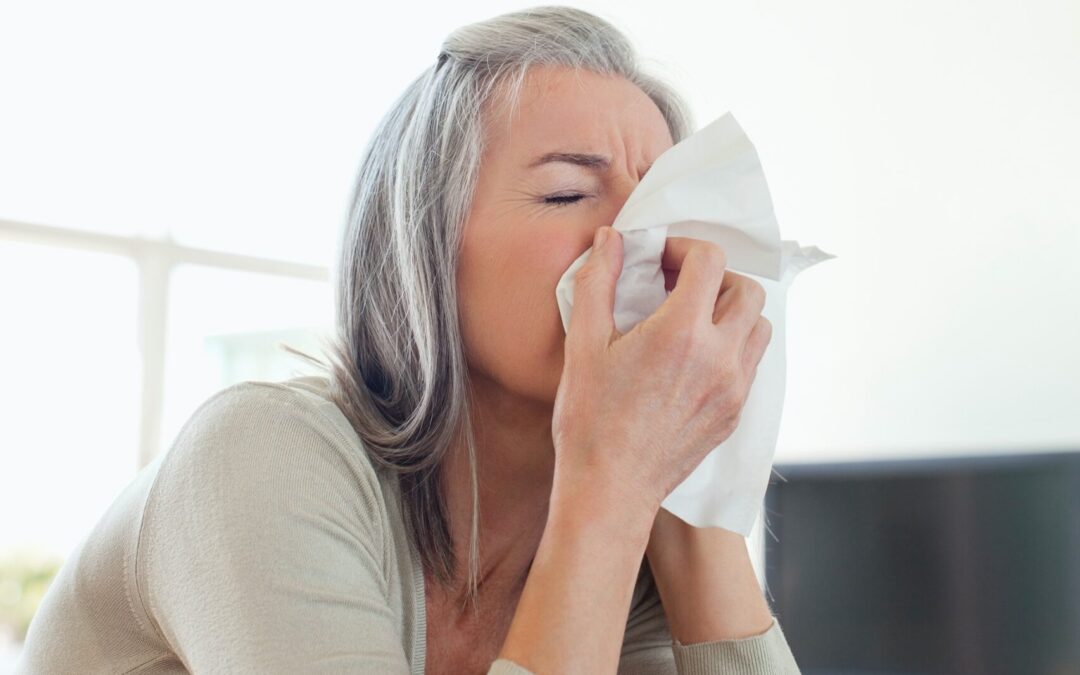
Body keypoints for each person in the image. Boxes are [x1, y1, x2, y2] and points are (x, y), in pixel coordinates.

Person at [18, 6, 801, 674]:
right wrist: (619, 480)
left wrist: (693, 495)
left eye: (666, 197)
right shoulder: (260, 455)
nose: (643, 235)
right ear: (419, 251)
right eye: (568, 191)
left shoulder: (621, 534)